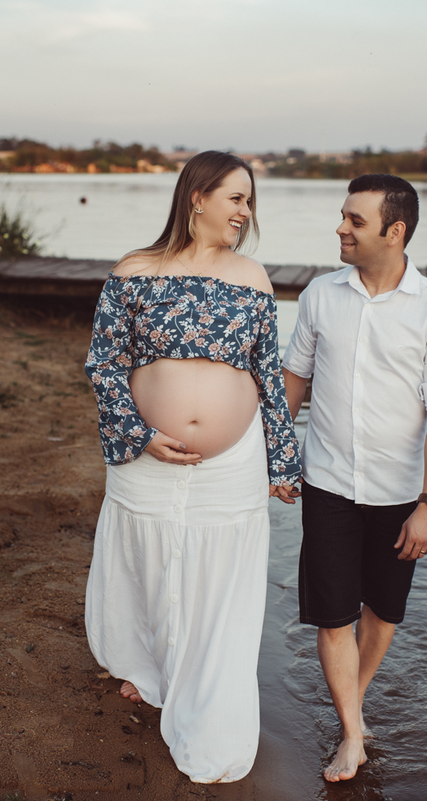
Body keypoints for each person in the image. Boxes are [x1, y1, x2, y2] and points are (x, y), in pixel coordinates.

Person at [83, 150, 301, 783]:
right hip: (145, 454)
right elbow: (105, 364)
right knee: (146, 562)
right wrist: (141, 433)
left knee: (219, 579)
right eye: (236, 198)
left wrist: (282, 461)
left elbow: (268, 376)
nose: (245, 211)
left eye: (249, 200)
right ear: (197, 197)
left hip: (232, 461)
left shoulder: (254, 277)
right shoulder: (136, 269)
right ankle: (150, 669)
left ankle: (206, 703)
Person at [281, 174, 427, 782]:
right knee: (334, 616)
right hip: (328, 483)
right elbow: (294, 385)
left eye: (354, 221)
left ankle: (350, 709)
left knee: (382, 614)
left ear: (395, 231)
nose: (340, 228)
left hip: (399, 495)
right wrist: (276, 456)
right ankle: (353, 733)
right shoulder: (319, 296)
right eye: (342, 216)